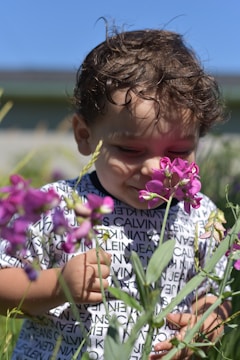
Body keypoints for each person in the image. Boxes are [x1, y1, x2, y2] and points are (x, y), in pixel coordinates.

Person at [0, 27, 230, 359]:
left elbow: (216, 296)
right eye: (130, 149)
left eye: (178, 153)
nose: (155, 169)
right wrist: (55, 285)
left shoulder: (201, 216)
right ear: (84, 136)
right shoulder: (58, 206)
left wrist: (207, 323)